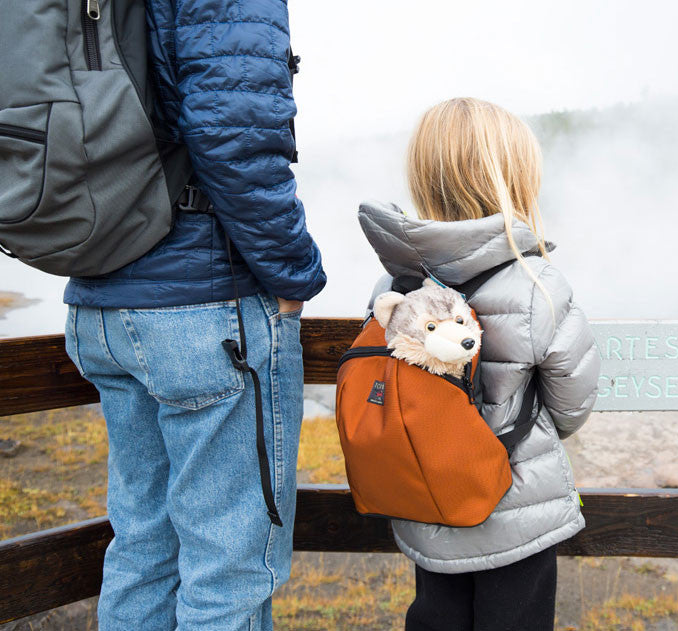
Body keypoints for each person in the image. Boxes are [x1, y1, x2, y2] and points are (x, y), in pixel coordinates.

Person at [62, 1, 325, 629]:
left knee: (142, 550)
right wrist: (296, 278)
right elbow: (236, 137)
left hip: (100, 299)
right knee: (228, 571)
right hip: (202, 310)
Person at [356, 97, 600, 631]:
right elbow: (573, 405)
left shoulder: (394, 286)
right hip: (516, 507)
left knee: (436, 616)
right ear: (516, 180)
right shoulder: (537, 285)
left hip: (428, 500)